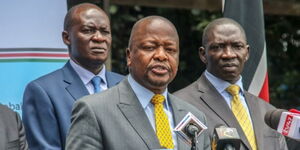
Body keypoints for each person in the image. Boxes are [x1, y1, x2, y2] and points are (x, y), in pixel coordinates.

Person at [65, 16, 210, 150]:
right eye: (149, 47)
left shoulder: (194, 116)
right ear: (129, 56)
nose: (161, 56)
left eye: (170, 50)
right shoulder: (94, 110)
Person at [174, 18, 288, 150]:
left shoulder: (268, 113)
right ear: (203, 54)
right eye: (218, 47)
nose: (228, 54)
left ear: (247, 53)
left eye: (237, 46)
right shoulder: (180, 105)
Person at [22, 3, 124, 150]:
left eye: (105, 32)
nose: (99, 38)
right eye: (88, 30)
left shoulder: (125, 85)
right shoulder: (42, 91)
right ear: (66, 37)